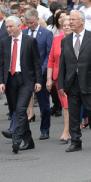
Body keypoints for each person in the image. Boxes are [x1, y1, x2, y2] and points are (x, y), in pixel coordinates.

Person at [57, 10, 91, 152]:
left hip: (90, 81)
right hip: (72, 83)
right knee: (73, 114)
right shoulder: (65, 40)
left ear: (82, 20)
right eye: (69, 20)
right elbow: (63, 64)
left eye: (73, 19)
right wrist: (61, 84)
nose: (71, 22)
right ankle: (76, 141)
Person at [23, 9, 52, 139]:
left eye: (31, 22)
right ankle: (18, 130)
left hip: (42, 74)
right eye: (27, 23)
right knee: (20, 103)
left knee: (44, 104)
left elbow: (49, 54)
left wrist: (42, 70)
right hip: (26, 74)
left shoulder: (46, 33)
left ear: (37, 19)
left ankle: (45, 129)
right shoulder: (23, 33)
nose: (29, 25)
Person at [46, 14, 71, 143]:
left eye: (69, 25)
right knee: (66, 105)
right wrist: (49, 79)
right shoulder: (57, 39)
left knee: (69, 104)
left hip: (72, 77)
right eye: (64, 25)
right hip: (58, 78)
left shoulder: (76, 39)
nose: (66, 27)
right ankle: (68, 129)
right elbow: (51, 60)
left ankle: (68, 130)